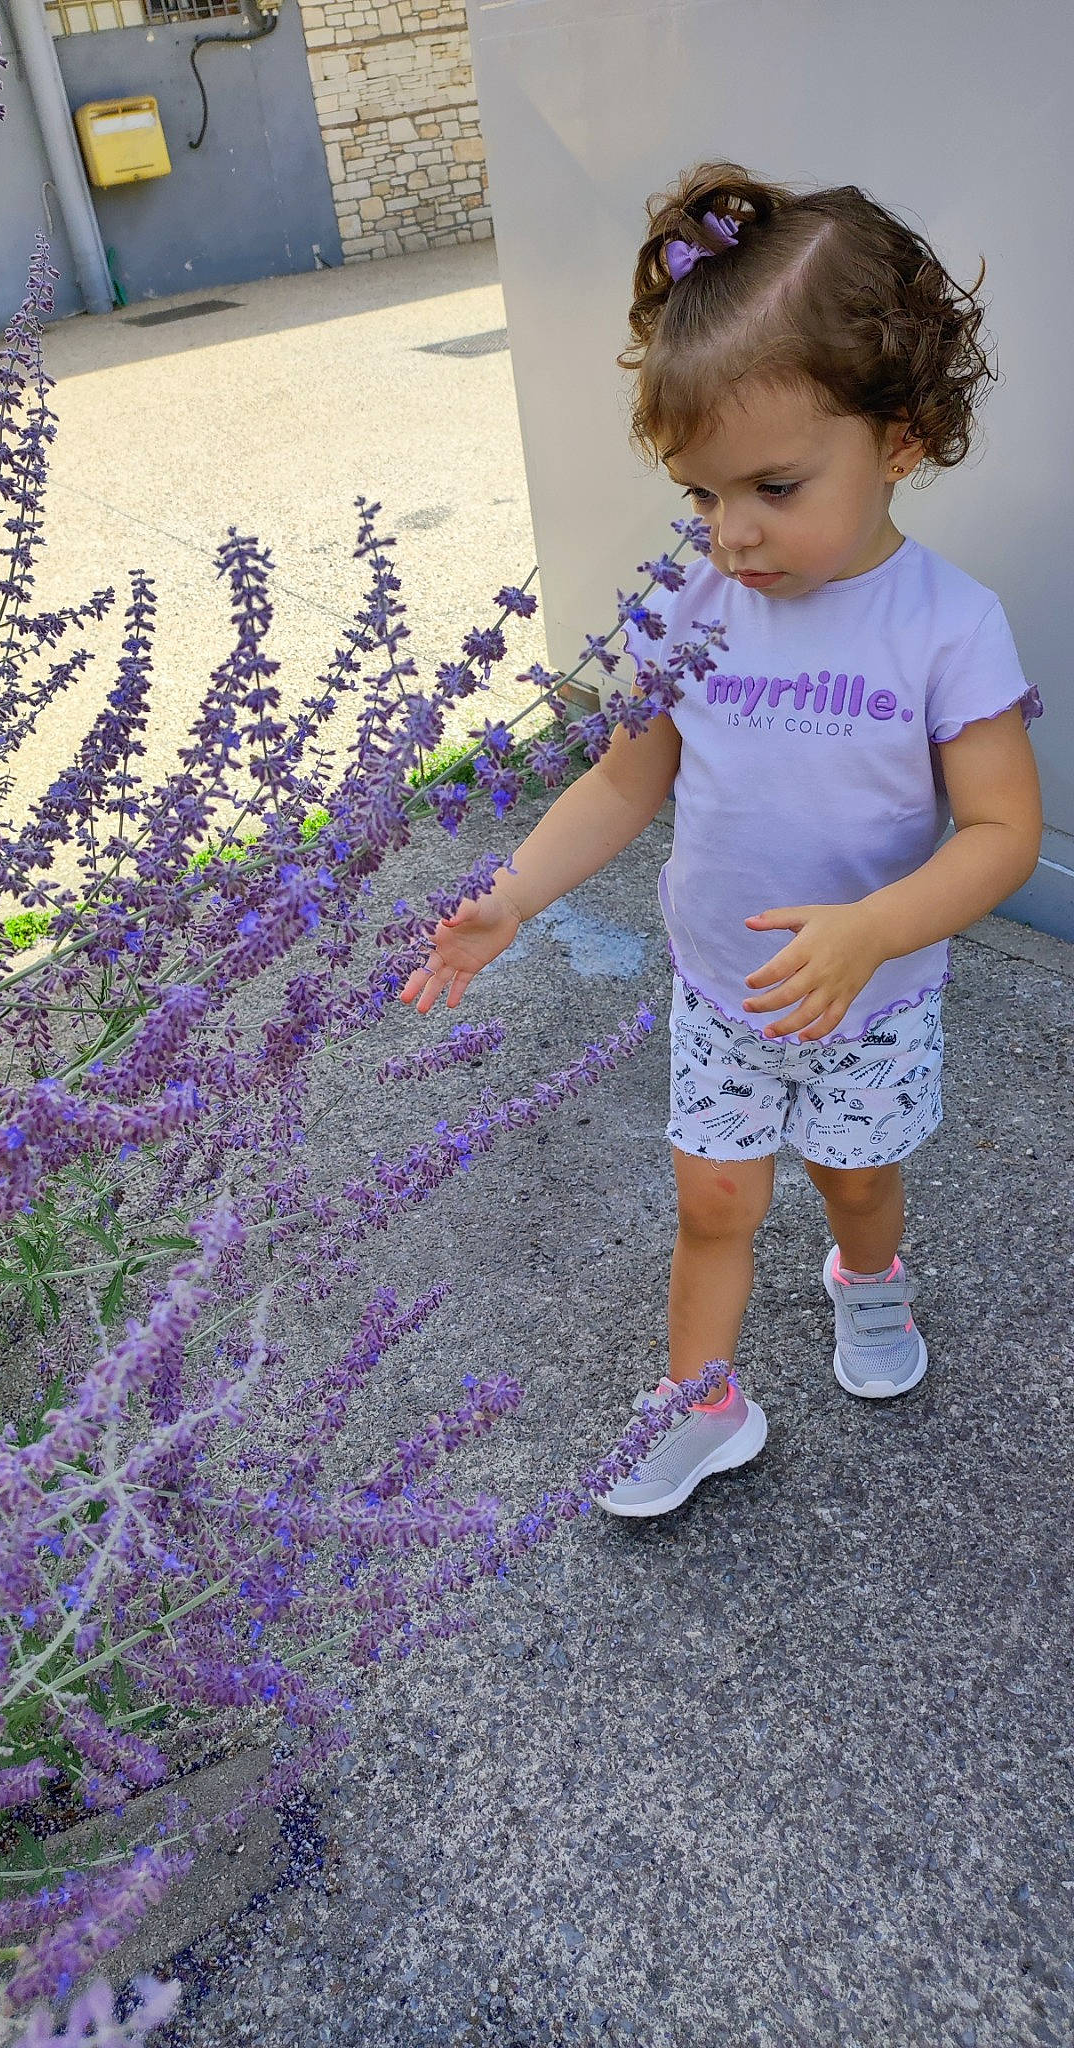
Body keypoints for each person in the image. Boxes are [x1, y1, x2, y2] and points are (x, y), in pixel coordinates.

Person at [399, 162, 1043, 1518]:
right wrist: (510, 895)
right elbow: (628, 784)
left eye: (773, 484)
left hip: (871, 998)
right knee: (713, 1205)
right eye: (702, 497)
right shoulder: (692, 604)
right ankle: (703, 1403)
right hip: (720, 993)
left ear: (905, 436)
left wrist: (873, 929)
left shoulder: (948, 626)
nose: (731, 533)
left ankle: (869, 1282)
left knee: (858, 1186)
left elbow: (1002, 834)